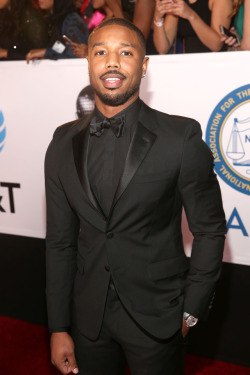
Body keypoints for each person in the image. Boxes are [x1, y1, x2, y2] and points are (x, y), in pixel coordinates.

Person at [45, 17, 226, 375]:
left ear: (143, 66)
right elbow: (60, 244)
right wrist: (58, 326)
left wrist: (192, 307)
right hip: (88, 318)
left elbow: (210, 230)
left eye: (125, 52)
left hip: (158, 317)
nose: (112, 61)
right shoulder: (61, 143)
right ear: (89, 63)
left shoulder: (180, 138)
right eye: (101, 52)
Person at [153, 0, 233, 54]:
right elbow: (162, 49)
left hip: (216, 64)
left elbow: (216, 45)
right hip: (190, 64)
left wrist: (191, 16)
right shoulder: (178, 1)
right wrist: (158, 19)